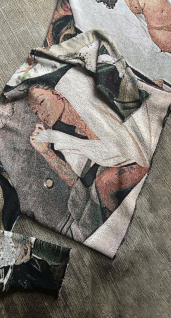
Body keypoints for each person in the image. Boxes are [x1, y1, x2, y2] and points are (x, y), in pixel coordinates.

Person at [27, 78, 149, 217]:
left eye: (42, 102)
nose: (41, 114)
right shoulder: (58, 135)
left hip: (136, 155)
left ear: (58, 93)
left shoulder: (85, 102)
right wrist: (45, 151)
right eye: (36, 112)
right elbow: (73, 180)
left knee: (103, 184)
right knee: (77, 202)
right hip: (107, 174)